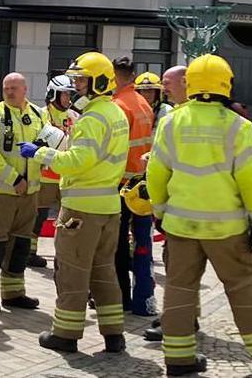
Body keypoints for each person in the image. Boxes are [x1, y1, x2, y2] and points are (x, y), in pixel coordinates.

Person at [148, 54, 252, 376]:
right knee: (244, 288)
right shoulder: (238, 126)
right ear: (226, 84)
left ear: (191, 84)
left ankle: (178, 360)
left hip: (181, 225)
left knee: (180, 290)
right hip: (228, 229)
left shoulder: (171, 121)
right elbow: (250, 181)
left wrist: (159, 211)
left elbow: (156, 173)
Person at [19, 51, 129, 354]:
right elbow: (96, 155)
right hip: (109, 207)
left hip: (82, 210)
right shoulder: (114, 112)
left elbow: (79, 161)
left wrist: (40, 153)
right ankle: (114, 335)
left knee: (71, 273)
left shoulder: (92, 118)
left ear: (98, 82)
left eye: (81, 80)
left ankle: (65, 335)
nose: (76, 86)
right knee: (104, 273)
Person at [0, 73, 43, 312]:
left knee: (21, 244)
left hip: (31, 192)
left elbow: (45, 146)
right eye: (6, 88)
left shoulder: (37, 114)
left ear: (25, 89)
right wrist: (14, 179)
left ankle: (14, 293)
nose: (9, 92)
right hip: (3, 192)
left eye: (14, 88)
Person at [143, 64, 190, 342]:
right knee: (180, 267)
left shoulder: (179, 117)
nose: (164, 88)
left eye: (166, 83)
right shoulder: (176, 114)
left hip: (184, 207)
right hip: (180, 206)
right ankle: (182, 317)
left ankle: (177, 320)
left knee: (180, 268)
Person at [111, 57, 156, 317]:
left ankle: (120, 299)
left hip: (120, 186)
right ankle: (142, 299)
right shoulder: (143, 104)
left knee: (116, 245)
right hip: (141, 185)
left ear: (116, 77)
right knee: (141, 245)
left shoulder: (118, 106)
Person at [31, 74, 79, 268]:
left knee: (69, 216)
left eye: (69, 94)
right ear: (52, 94)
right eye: (64, 94)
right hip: (45, 176)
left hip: (66, 175)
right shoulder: (41, 114)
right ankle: (30, 252)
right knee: (38, 215)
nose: (68, 99)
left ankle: (66, 252)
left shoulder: (74, 116)